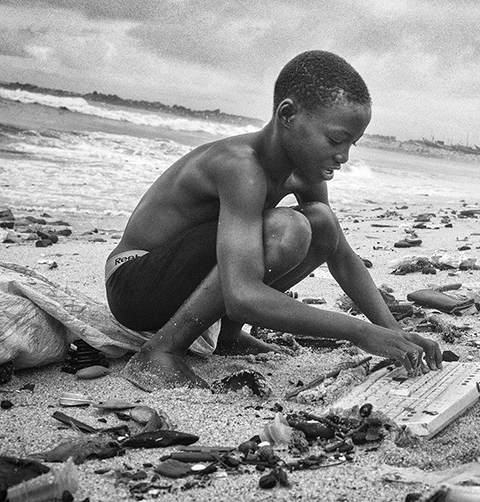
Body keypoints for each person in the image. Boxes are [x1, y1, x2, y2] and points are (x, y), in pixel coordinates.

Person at [106, 51, 442, 391]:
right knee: (288, 229)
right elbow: (241, 295)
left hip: (182, 286)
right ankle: (161, 350)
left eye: (351, 144)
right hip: (134, 283)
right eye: (335, 140)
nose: (344, 157)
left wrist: (393, 335)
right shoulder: (241, 166)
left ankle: (228, 337)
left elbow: (340, 255)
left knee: (321, 222)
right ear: (288, 114)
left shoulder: (306, 173)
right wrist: (361, 332)